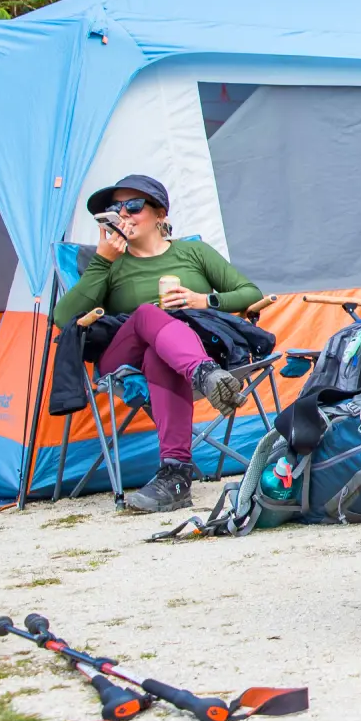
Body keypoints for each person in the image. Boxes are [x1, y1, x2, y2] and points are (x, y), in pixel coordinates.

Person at [51, 174, 264, 514]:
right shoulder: (108, 263)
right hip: (124, 360)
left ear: (160, 214)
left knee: (160, 356)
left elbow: (250, 293)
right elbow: (63, 317)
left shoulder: (193, 252)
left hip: (181, 351)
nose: (124, 215)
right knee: (148, 314)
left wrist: (201, 300)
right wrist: (103, 260)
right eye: (115, 209)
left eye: (133, 206)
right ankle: (205, 375)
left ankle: (176, 478)